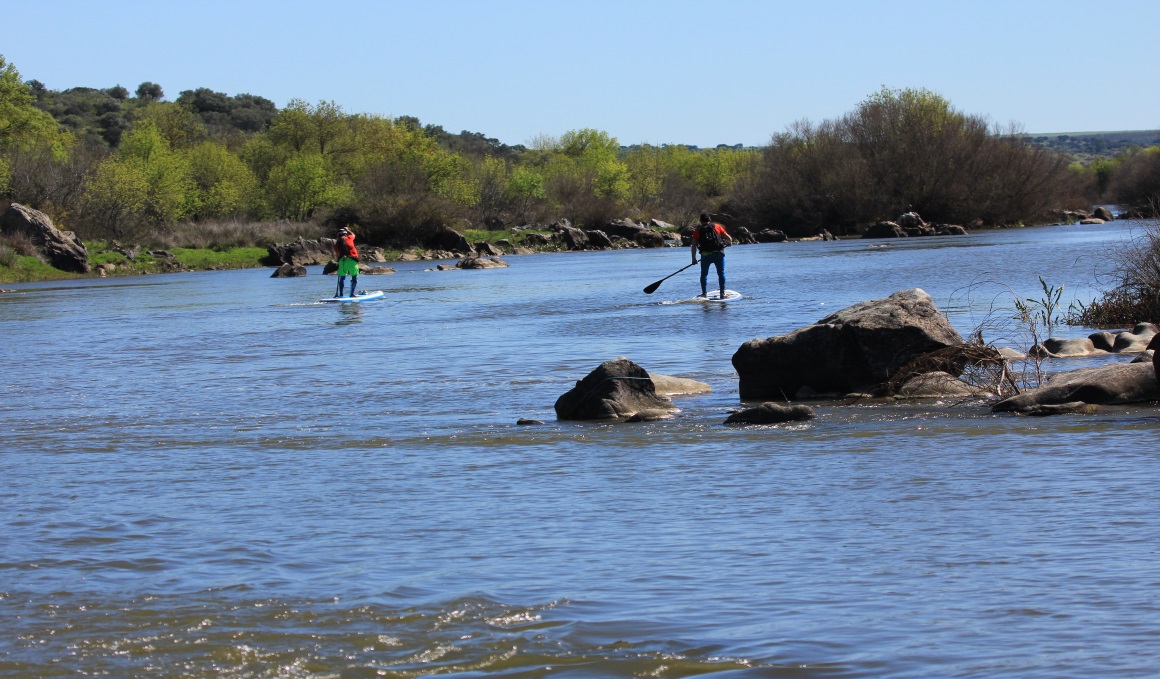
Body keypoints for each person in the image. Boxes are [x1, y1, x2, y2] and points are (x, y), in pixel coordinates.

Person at [690, 212, 732, 298]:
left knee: (704, 274)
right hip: (719, 254)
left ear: (700, 221)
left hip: (705, 256)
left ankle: (704, 293)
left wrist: (694, 258)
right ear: (710, 220)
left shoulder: (697, 231)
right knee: (721, 273)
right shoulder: (717, 227)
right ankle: (722, 293)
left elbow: (694, 246)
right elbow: (729, 238)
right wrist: (729, 243)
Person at [333, 226, 360, 297]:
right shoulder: (349, 238)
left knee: (342, 277)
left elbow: (337, 252)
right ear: (345, 234)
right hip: (352, 260)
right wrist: (348, 230)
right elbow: (353, 235)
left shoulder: (336, 245)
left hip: (342, 260)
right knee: (354, 276)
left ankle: (341, 294)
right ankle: (351, 294)